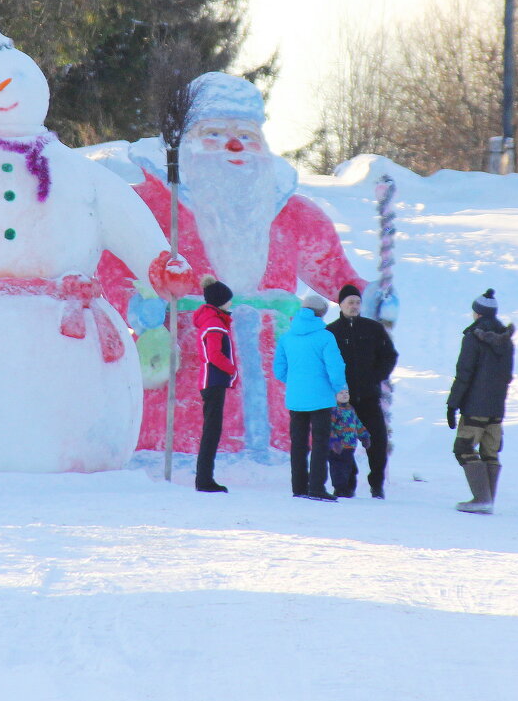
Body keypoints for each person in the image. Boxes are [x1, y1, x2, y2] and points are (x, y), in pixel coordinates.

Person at [97, 72, 376, 456]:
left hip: (275, 364)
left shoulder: (291, 213)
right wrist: (135, 305)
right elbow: (112, 263)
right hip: (187, 357)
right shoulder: (153, 205)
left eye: (247, 135)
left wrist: (369, 296)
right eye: (213, 133)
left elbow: (334, 272)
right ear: (183, 143)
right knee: (188, 425)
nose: (233, 145)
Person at [274, 294, 350, 502]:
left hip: (296, 399)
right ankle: (316, 487)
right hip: (321, 398)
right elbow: (335, 368)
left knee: (298, 443)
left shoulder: (287, 337)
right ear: (321, 314)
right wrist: (340, 388)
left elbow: (279, 370)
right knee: (320, 442)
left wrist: (296, 382)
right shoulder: (325, 337)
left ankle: (298, 487)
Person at [446, 289, 515, 514]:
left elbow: (464, 373)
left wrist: (453, 403)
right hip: (497, 407)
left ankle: (481, 498)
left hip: (475, 406)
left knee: (464, 447)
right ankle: (488, 499)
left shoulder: (473, 338)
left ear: (477, 313)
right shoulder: (506, 341)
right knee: (490, 452)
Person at [327, 283, 399, 498]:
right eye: (350, 302)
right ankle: (346, 484)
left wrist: (376, 376)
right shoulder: (331, 332)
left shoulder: (373, 329)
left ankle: (377, 484)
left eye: (357, 302)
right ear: (341, 304)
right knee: (344, 443)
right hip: (343, 401)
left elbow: (389, 355)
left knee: (377, 441)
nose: (354, 306)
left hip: (368, 396)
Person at [193, 275, 237, 493]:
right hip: (214, 382)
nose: (231, 303)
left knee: (212, 430)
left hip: (213, 382)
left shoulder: (214, 321)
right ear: (220, 301)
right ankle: (204, 479)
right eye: (228, 300)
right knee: (211, 431)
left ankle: (204, 478)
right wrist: (231, 368)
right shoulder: (214, 323)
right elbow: (214, 355)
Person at [327, 403, 370, 497]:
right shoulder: (333, 410)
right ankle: (340, 489)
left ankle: (350, 488)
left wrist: (364, 436)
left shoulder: (350, 409)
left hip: (350, 446)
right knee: (338, 468)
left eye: (346, 393)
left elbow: (357, 424)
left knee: (350, 468)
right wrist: (334, 441)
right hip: (338, 447)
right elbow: (329, 426)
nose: (345, 395)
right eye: (341, 393)